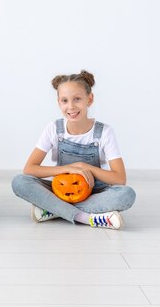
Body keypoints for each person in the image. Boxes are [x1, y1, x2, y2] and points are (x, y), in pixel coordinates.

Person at [12, 70, 135, 230]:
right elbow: (29, 169)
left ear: (89, 99)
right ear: (58, 103)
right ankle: (85, 217)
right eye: (64, 100)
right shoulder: (53, 129)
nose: (71, 106)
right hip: (60, 189)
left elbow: (120, 179)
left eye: (77, 99)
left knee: (126, 194)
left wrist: (85, 167)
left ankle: (53, 209)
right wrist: (70, 168)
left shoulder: (104, 132)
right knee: (20, 182)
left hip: (93, 192)